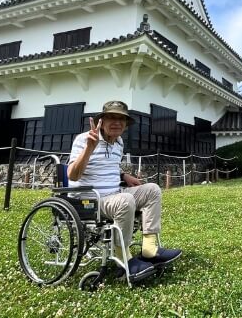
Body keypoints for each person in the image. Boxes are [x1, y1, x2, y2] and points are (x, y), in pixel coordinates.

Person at [67, 100, 182, 279]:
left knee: (152, 189)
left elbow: (107, 166)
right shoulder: (84, 139)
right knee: (125, 200)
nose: (117, 122)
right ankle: (123, 258)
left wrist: (123, 176)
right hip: (89, 200)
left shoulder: (118, 142)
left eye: (121, 119)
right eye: (111, 117)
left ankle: (149, 249)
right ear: (101, 122)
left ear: (126, 125)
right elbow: (72, 175)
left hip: (115, 195)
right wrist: (90, 148)